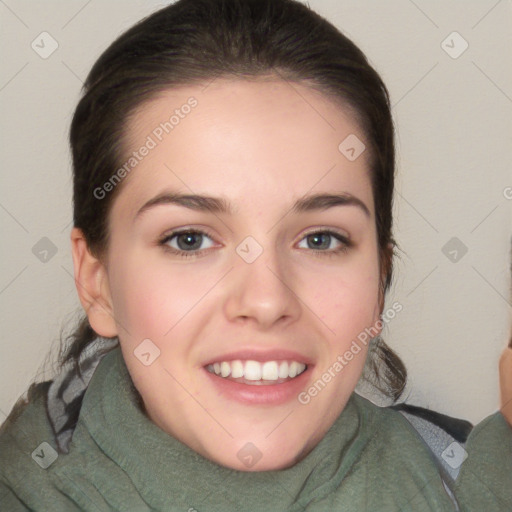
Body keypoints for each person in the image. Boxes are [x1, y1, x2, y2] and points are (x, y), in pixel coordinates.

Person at [0, 0, 510, 510]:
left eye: (320, 239)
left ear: (381, 278)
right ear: (98, 283)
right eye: (189, 239)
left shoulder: (477, 482)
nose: (266, 301)